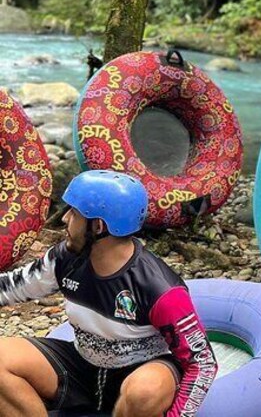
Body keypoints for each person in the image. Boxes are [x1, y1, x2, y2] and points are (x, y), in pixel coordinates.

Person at [0, 170, 217, 417]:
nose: (64, 220)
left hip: (142, 372)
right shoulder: (64, 258)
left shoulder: (159, 288)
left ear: (98, 226)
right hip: (83, 366)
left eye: (74, 213)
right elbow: (11, 286)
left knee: (146, 390)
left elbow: (202, 363)